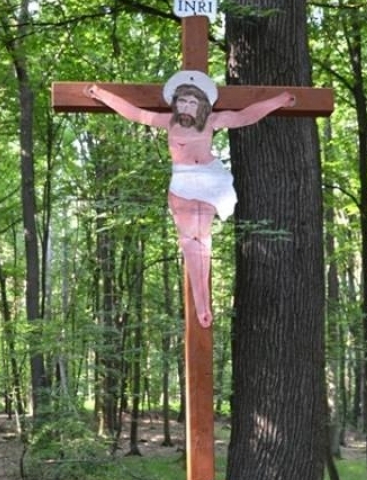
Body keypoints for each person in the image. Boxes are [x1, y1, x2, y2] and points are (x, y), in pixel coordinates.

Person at [87, 71, 295, 329]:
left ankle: (204, 306)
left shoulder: (213, 120)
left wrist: (279, 100)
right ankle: (202, 306)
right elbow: (134, 112)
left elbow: (244, 116)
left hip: (209, 180)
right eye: (182, 102)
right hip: (183, 182)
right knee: (190, 241)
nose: (185, 107)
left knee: (202, 238)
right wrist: (101, 94)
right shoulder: (168, 122)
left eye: (192, 103)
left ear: (203, 105)